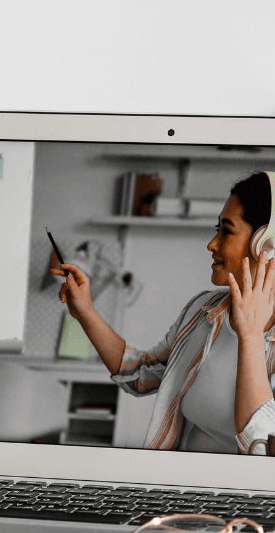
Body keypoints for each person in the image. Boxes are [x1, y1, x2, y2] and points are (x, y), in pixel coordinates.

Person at [55, 171, 275, 454]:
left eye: (226, 230)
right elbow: (139, 373)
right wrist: (85, 311)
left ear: (266, 246)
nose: (211, 243)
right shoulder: (202, 312)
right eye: (215, 229)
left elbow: (264, 450)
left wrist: (251, 337)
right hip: (181, 486)